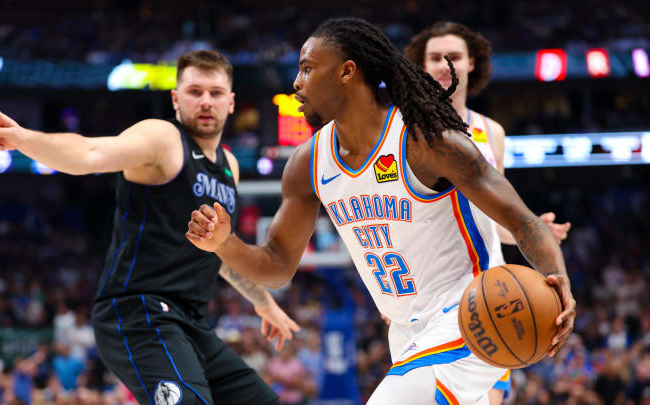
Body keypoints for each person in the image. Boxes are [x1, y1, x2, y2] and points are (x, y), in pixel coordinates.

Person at [187, 18, 576, 404]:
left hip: (472, 316)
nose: (296, 82)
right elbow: (276, 265)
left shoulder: (427, 142)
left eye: (307, 68)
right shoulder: (307, 163)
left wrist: (557, 277)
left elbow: (524, 222)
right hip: (405, 334)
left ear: (346, 72)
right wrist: (224, 243)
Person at [0, 49, 299, 405]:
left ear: (231, 102)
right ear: (176, 99)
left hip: (190, 322)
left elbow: (221, 250)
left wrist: (263, 301)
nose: (206, 101)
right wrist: (23, 139)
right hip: (138, 312)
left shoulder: (230, 167)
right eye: (195, 91)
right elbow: (89, 153)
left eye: (216, 92)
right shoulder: (162, 139)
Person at [403, 21, 573, 404]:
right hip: (425, 291)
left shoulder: (490, 131)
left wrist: (530, 230)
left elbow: (494, 220)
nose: (445, 63)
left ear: (472, 63)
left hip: (487, 289)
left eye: (455, 56)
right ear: (420, 65)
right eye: (434, 57)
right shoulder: (403, 131)